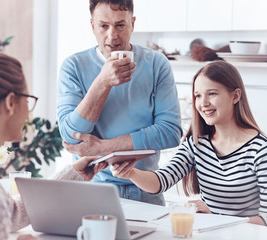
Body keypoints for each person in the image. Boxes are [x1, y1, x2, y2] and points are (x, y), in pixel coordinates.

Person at [0, 42, 107, 240]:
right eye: (28, 101)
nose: (29, 113)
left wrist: (73, 174)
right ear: (11, 103)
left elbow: (12, 215)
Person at [111, 60, 267, 228]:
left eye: (212, 93)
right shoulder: (197, 145)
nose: (203, 103)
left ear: (235, 96)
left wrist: (218, 218)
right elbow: (161, 181)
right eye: (198, 96)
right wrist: (130, 173)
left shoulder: (263, 152)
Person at [57, 0, 182, 206]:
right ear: (92, 26)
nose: (112, 36)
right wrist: (102, 83)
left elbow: (170, 132)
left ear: (132, 23)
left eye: (120, 25)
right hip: (92, 191)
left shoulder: (157, 64)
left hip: (146, 190)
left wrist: (102, 148)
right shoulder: (74, 66)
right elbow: (71, 137)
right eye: (104, 26)